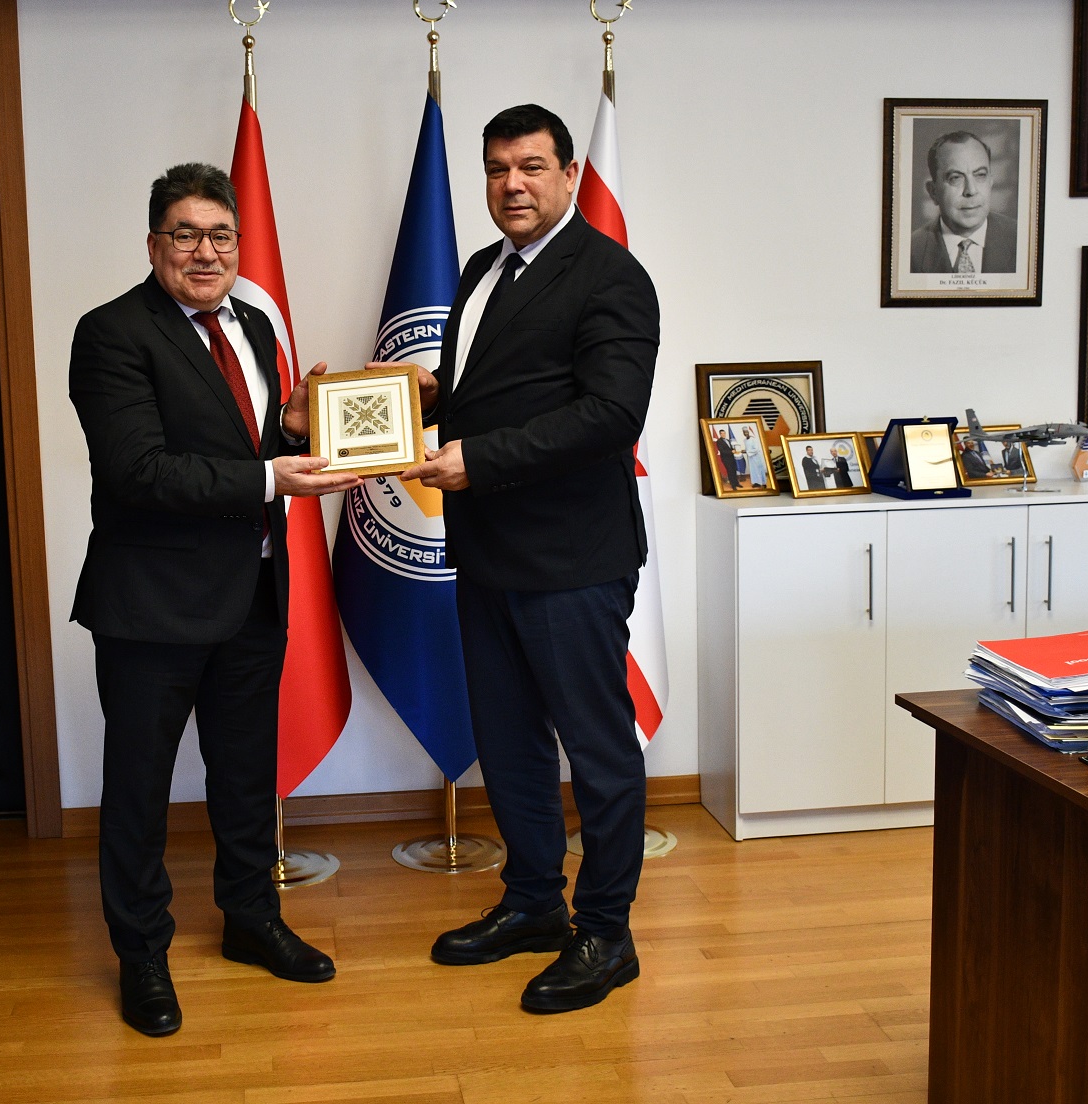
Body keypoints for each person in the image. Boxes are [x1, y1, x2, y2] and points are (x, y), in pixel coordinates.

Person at [67, 163, 361, 1037]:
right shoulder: (111, 333)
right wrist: (274, 474)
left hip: (251, 595)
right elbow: (140, 471)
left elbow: (243, 443)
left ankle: (251, 920)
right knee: (139, 789)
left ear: (239, 243)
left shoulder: (254, 326)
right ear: (153, 243)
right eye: (186, 235)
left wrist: (292, 428)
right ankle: (142, 954)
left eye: (221, 235)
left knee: (244, 777)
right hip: (151, 606)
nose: (206, 252)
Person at [396, 104, 659, 1014]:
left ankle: (607, 933)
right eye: (498, 168)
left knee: (597, 749)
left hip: (572, 559)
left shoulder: (612, 277)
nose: (513, 184)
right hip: (486, 553)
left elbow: (610, 416)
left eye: (532, 167)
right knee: (508, 744)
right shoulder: (481, 270)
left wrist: (478, 458)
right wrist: (429, 395)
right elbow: (500, 388)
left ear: (569, 173)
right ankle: (534, 903)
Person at [908, 131, 1018, 275]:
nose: (970, 190)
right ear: (933, 192)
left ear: (990, 182)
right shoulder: (910, 252)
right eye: (955, 178)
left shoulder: (1021, 240)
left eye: (980, 175)